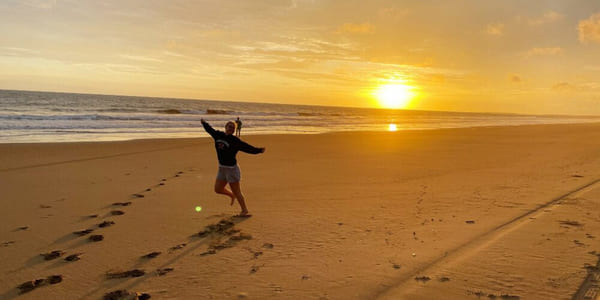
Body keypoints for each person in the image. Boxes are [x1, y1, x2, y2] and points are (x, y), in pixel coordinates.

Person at [201, 118, 265, 217]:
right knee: (218, 189)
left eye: (233, 128)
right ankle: (231, 195)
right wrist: (204, 123)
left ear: (234, 130)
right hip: (222, 168)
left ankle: (244, 210)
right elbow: (210, 130)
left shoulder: (235, 141)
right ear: (225, 127)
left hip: (232, 170)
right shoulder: (218, 135)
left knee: (237, 191)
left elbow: (247, 147)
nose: (231, 128)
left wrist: (258, 150)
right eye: (229, 126)